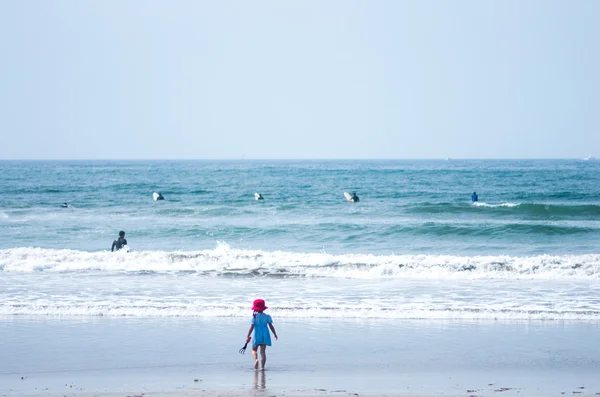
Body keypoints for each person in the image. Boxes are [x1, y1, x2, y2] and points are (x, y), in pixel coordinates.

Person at [245, 299, 278, 370]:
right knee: (263, 352)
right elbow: (271, 326)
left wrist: (247, 336)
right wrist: (275, 334)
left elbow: (251, 327)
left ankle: (256, 359)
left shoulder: (254, 317)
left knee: (254, 350)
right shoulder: (267, 316)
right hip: (265, 335)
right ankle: (262, 367)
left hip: (256, 335)